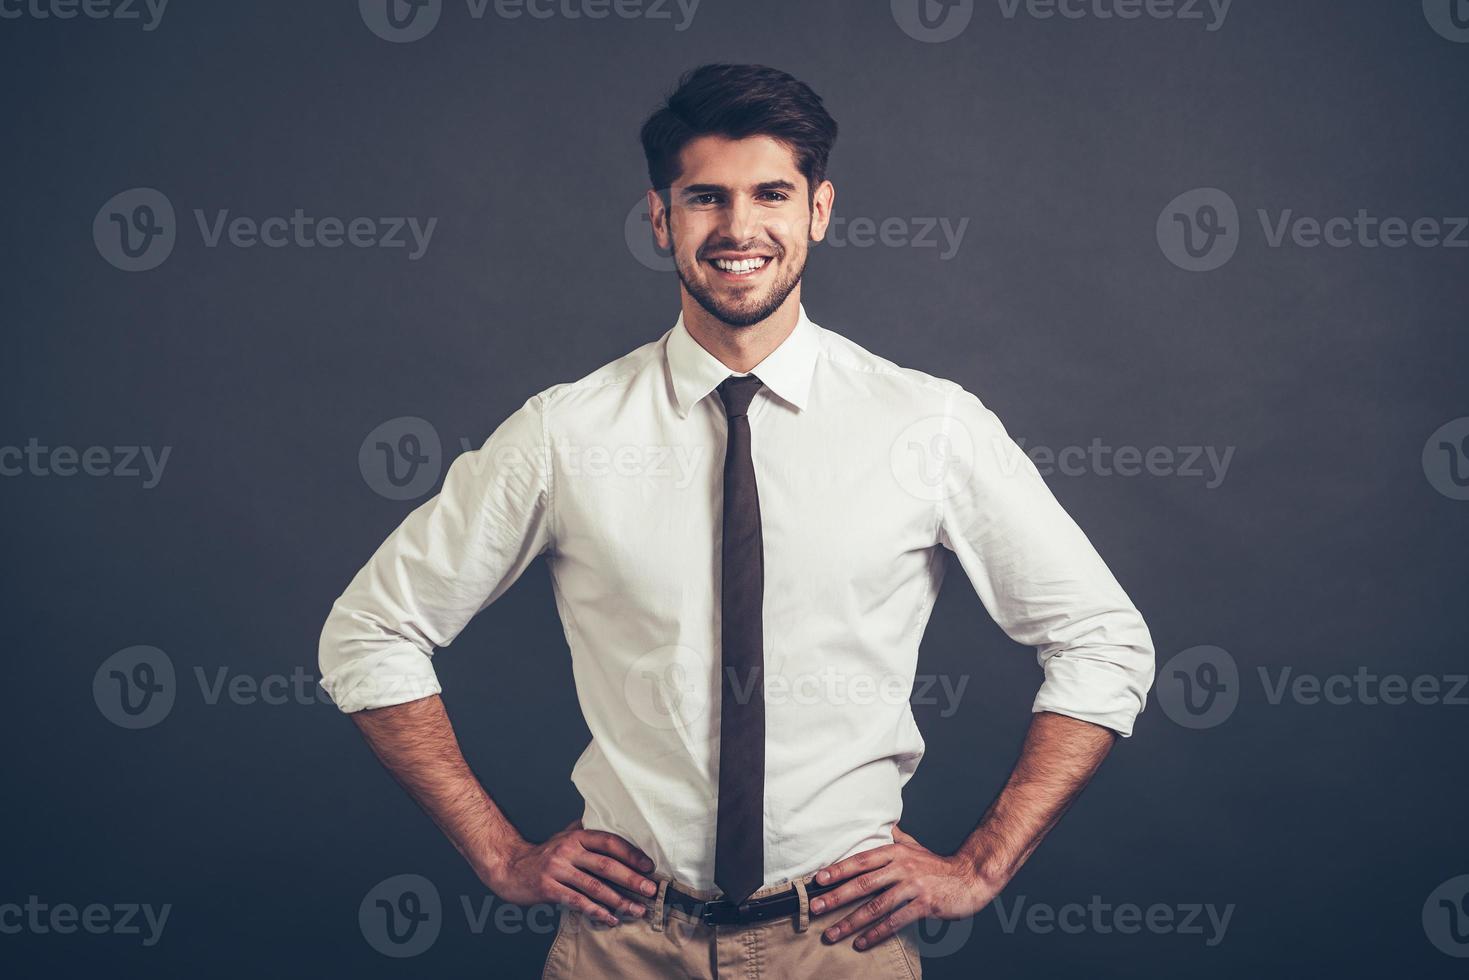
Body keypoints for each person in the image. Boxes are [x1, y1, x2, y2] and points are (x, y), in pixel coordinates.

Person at [318, 62, 1156, 978]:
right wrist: (500, 853)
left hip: (839, 947)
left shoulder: (928, 427)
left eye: (771, 194)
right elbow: (369, 634)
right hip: (621, 946)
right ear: (659, 218)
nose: (738, 228)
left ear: (819, 210)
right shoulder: (567, 432)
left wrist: (981, 866)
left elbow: (1101, 641)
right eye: (704, 198)